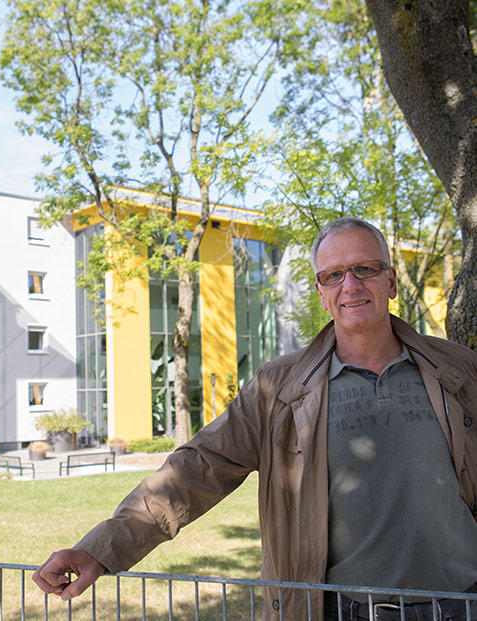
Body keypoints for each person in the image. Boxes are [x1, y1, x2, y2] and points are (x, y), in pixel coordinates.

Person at [33, 218, 477, 620]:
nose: (351, 285)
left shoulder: (459, 371)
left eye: (365, 269)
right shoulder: (279, 389)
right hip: (341, 611)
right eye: (334, 275)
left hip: (463, 605)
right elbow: (196, 468)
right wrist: (100, 548)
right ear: (321, 293)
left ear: (391, 280)